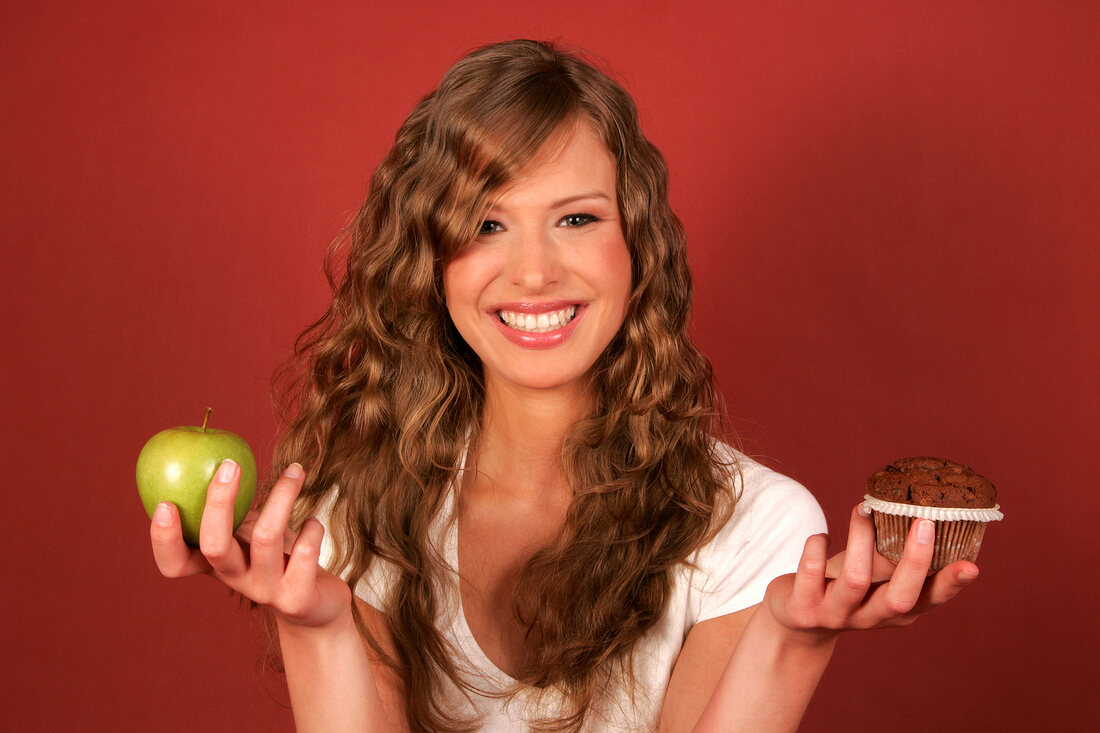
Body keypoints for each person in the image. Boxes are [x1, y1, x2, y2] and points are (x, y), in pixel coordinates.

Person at [149, 40, 979, 732]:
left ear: (638, 245)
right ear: (429, 262)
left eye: (577, 218)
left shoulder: (757, 531)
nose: (535, 271)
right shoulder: (355, 510)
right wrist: (318, 630)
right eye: (484, 224)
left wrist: (790, 643)